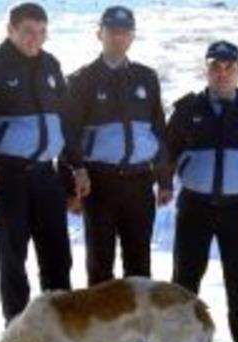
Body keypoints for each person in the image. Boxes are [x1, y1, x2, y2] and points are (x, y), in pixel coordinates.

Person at [0, 2, 90, 323]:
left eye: (41, 32)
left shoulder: (50, 65)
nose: (35, 39)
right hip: (8, 177)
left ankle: (60, 329)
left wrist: (76, 168)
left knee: (57, 257)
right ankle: (18, 332)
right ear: (10, 29)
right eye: (28, 31)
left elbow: (64, 122)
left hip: (46, 175)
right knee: (13, 259)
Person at [167, 40, 238, 342]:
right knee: (185, 280)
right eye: (216, 67)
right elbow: (169, 148)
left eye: (230, 67)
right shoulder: (188, 109)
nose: (222, 73)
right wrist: (185, 168)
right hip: (195, 207)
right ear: (207, 70)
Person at [63, 6, 172, 286]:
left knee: (139, 263)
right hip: (101, 183)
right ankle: (102, 330)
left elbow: (158, 130)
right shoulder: (80, 80)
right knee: (100, 264)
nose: (118, 38)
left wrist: (164, 179)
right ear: (99, 34)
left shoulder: (146, 78)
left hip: (139, 182)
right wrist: (71, 183)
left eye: (125, 32)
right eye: (112, 32)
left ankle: (136, 329)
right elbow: (69, 135)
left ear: (132, 36)